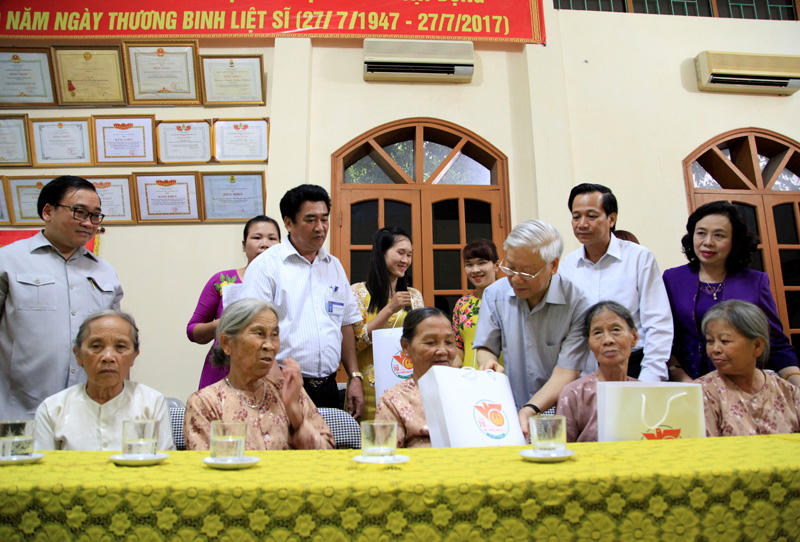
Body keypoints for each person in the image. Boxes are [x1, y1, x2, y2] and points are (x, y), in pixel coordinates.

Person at [0, 176, 123, 419]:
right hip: (19, 410)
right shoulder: (8, 261)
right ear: (48, 211)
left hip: (89, 410)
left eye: (95, 215)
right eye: (79, 212)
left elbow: (117, 340)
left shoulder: (104, 271)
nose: (88, 223)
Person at [241, 184, 364, 417]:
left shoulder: (334, 266)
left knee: (325, 450)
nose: (320, 228)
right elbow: (251, 330)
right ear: (288, 223)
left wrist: (354, 376)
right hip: (278, 384)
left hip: (327, 388)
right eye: (310, 220)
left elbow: (345, 324)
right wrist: (278, 382)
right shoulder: (267, 266)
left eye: (324, 219)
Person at [473, 220, 591, 438]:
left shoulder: (577, 302)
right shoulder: (494, 295)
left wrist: (531, 409)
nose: (515, 279)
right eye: (510, 268)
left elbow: (567, 371)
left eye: (526, 272)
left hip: (562, 413)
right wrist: (487, 363)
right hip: (511, 409)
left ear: (553, 266)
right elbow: (485, 346)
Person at [663, 201, 800, 387]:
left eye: (719, 235)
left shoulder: (755, 282)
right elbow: (664, 338)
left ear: (735, 241)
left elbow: (776, 344)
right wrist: (683, 379)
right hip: (689, 384)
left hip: (744, 386)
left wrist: (795, 381)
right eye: (701, 233)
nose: (708, 242)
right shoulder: (673, 278)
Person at [183, 299, 334, 450]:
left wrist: (296, 417)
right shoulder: (205, 403)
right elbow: (204, 469)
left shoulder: (289, 391)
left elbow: (327, 457)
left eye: (274, 335)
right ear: (227, 343)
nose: (269, 345)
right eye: (259, 333)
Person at [559, 183, 672, 381]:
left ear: (611, 219)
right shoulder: (567, 266)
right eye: (576, 217)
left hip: (634, 368)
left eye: (591, 216)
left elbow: (658, 323)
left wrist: (649, 379)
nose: (582, 224)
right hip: (586, 374)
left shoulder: (639, 258)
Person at [34, 310, 174, 451]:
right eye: (96, 346)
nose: (108, 357)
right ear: (78, 355)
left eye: (120, 347)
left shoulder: (152, 403)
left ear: (134, 356)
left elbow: (165, 465)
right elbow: (42, 469)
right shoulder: (52, 409)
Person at [186, 215, 281, 389]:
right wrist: (221, 324)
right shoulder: (222, 280)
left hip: (272, 370)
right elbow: (193, 330)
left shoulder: (288, 284)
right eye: (257, 237)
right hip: (223, 369)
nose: (265, 244)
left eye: (272, 238)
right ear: (244, 245)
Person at [351, 227, 423, 420]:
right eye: (400, 253)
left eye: (409, 255)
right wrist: (390, 308)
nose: (405, 260)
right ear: (381, 253)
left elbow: (420, 340)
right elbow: (357, 342)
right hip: (368, 389)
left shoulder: (414, 296)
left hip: (406, 384)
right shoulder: (358, 293)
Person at [699, 300, 800, 436]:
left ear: (757, 346)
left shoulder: (787, 391)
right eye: (710, 341)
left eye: (724, 341)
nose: (715, 349)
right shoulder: (703, 393)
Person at [375, 307, 459, 448]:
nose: (442, 351)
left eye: (449, 342)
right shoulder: (393, 402)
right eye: (430, 343)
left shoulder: (471, 390)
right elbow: (384, 458)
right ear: (406, 346)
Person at [556, 301, 639, 442]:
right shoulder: (574, 394)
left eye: (616, 330)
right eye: (598, 333)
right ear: (589, 343)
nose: (608, 340)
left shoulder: (644, 393)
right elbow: (561, 448)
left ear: (634, 337)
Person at [451, 239, 501, 368]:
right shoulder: (462, 304)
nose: (475, 270)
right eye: (469, 264)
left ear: (496, 265)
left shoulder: (508, 300)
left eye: (482, 263)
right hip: (469, 379)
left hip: (502, 378)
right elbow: (458, 346)